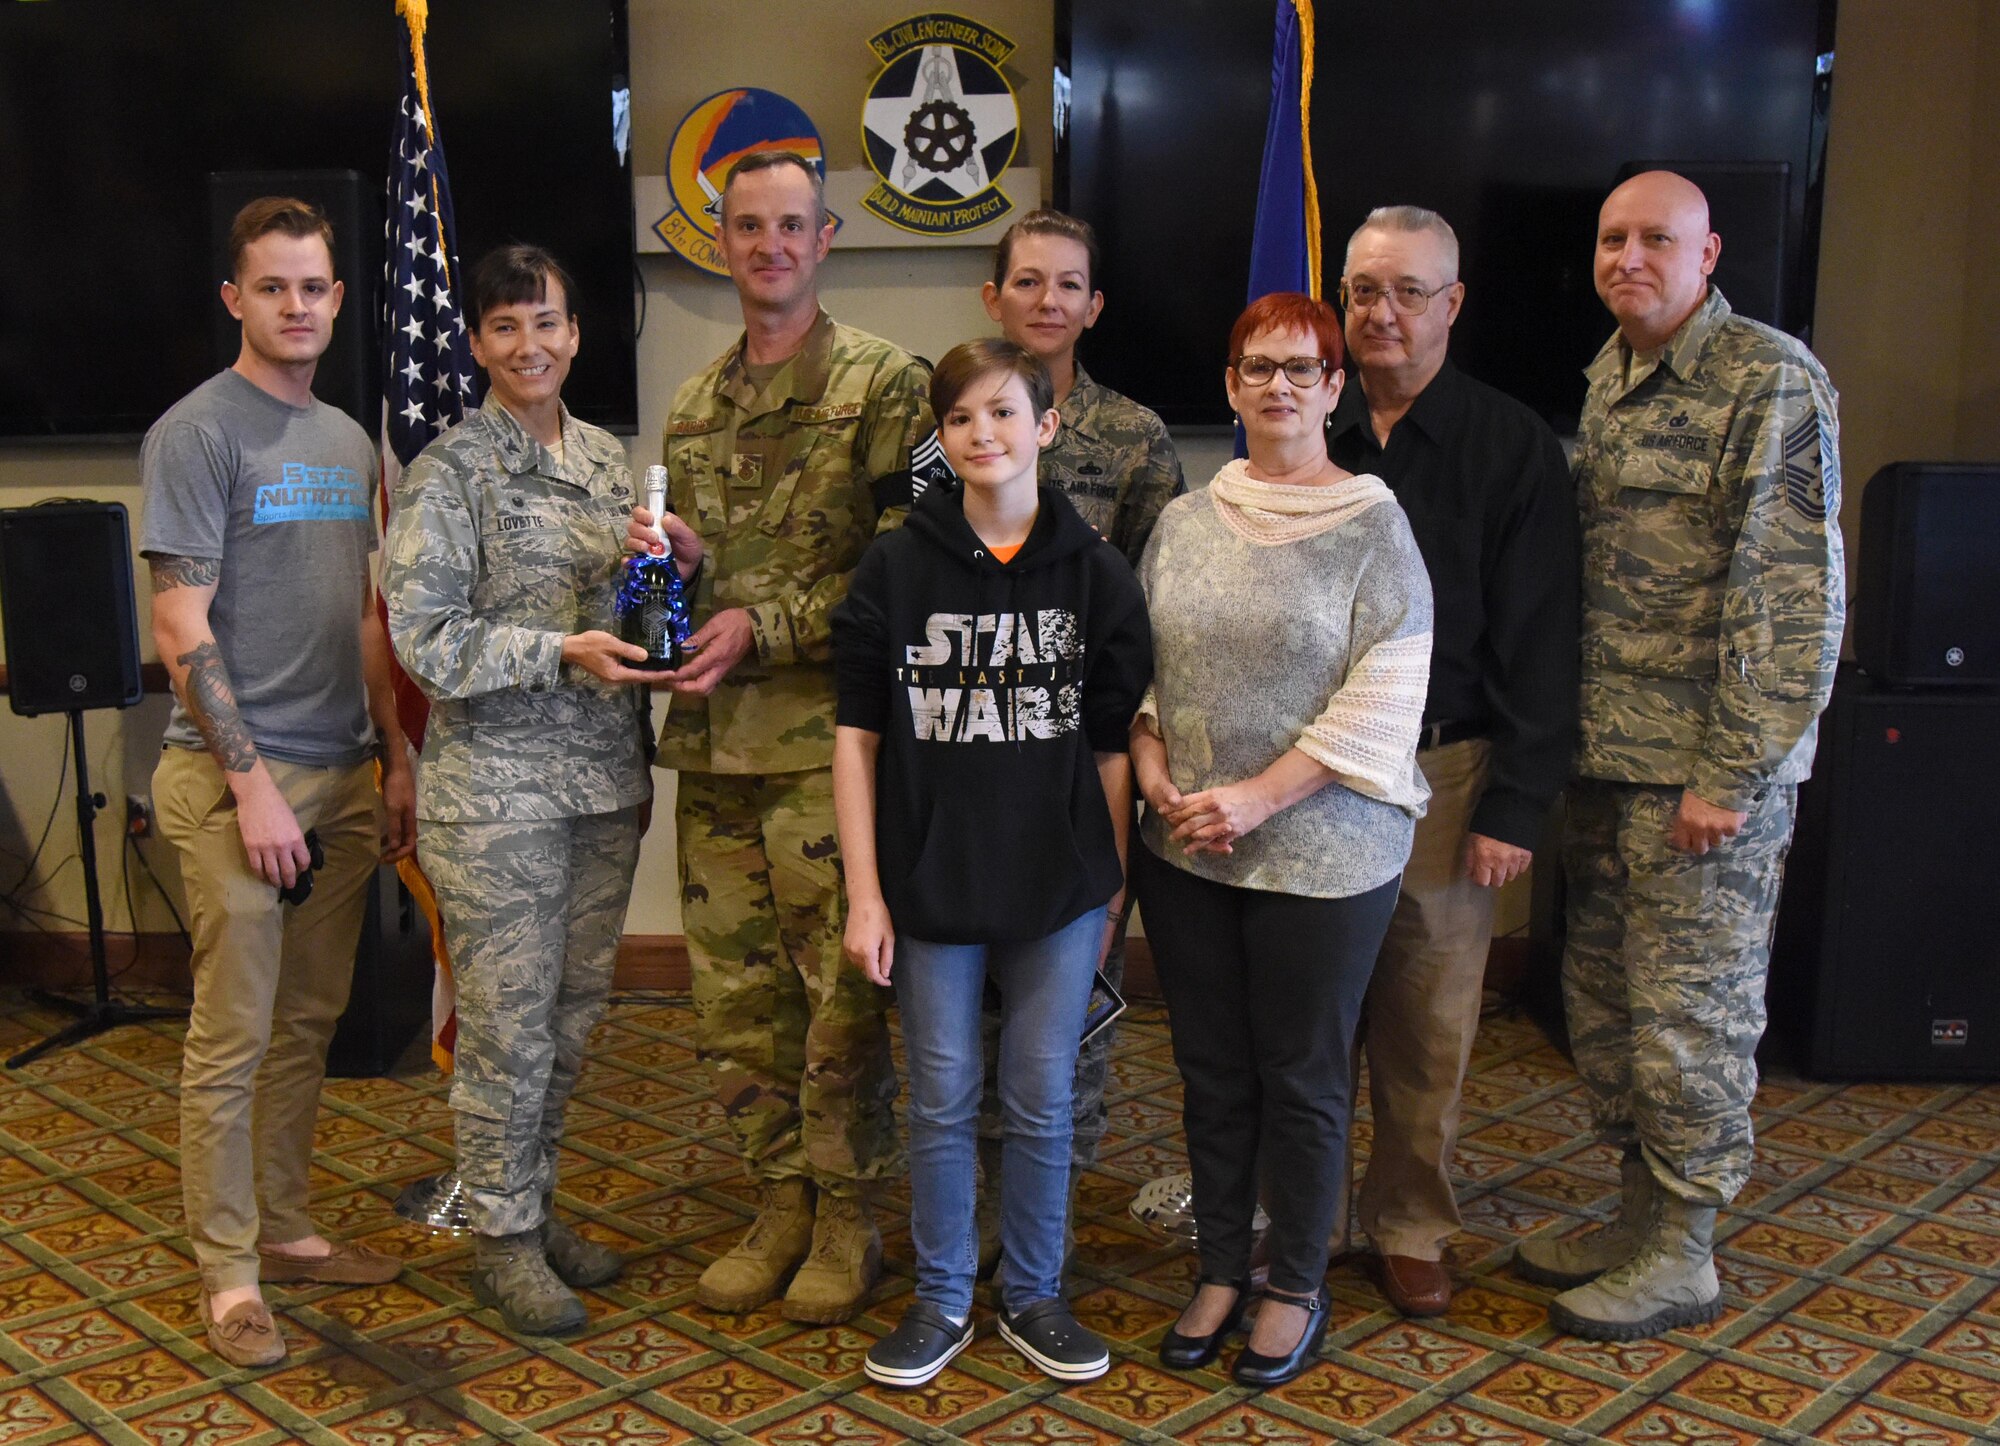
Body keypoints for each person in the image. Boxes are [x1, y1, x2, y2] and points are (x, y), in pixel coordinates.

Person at [628, 151, 935, 1325]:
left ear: (824, 237)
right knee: (736, 1005)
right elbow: (704, 565)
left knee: (838, 1002)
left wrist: (766, 624)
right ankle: (777, 1204)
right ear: (721, 241)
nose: (766, 246)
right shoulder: (697, 402)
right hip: (713, 747)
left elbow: (906, 568)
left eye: (788, 226)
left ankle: (851, 1217)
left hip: (827, 754)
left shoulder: (885, 384)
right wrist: (684, 574)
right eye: (745, 227)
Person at [1535, 171, 1843, 1340]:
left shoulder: (1766, 379)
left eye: (1654, 240)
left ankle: (1685, 1248)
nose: (1627, 258)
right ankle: (1633, 1212)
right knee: (1605, 1009)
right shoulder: (1607, 382)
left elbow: (1792, 601)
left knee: (1689, 1022)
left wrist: (1729, 776)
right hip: (1606, 765)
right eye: (1610, 237)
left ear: (1706, 253)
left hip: (1700, 785)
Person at [833, 339, 1152, 1388]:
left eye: (1005, 414)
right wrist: (866, 896)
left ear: (1045, 427)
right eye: (961, 417)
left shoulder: (1094, 571)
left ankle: (1032, 1294)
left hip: (1056, 888)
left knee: (1038, 1094)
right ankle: (937, 1299)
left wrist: (1104, 889)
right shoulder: (895, 563)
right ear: (941, 435)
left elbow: (1111, 744)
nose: (984, 435)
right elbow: (856, 739)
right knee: (937, 1095)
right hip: (929, 886)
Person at [1135, 292, 1432, 1388]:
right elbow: (1147, 667)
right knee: (1209, 1070)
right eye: (1256, 367)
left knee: (1300, 1076)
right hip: (1188, 847)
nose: (1277, 386)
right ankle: (1220, 1265)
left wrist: (1261, 795)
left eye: (1301, 369)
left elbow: (1387, 689)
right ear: (1229, 384)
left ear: (1332, 388)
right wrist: (1156, 767)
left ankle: (1294, 1283)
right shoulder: (1183, 520)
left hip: (1327, 850)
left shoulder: (1371, 524)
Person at [142, 196, 417, 1369]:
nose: (296, 306)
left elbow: (365, 616)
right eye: (273, 288)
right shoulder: (197, 434)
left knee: (308, 1023)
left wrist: (392, 756)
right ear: (235, 301)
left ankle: (290, 1227)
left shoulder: (350, 441)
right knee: (234, 1032)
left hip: (343, 775)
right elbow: (176, 621)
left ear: (337, 300)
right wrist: (251, 787)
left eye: (314, 288)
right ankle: (230, 1273)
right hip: (228, 780)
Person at [384, 245, 661, 1337]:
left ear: (575, 333)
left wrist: (666, 572)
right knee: (506, 1027)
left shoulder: (605, 459)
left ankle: (532, 1211)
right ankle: (498, 1240)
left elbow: (633, 614)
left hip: (599, 785)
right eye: (503, 327)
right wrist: (560, 650)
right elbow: (424, 639)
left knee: (573, 1021)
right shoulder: (449, 470)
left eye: (544, 322)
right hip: (496, 798)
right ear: (477, 344)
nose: (527, 345)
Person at [1325, 207, 1579, 1316]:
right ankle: (1302, 1215)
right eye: (1363, 291)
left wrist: (1515, 805)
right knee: (1307, 1013)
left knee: (1427, 1019)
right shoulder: (1305, 422)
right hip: (1309, 777)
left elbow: (1541, 637)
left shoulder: (1508, 443)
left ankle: (1409, 1220)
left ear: (1452, 305)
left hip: (1443, 771)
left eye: (1408, 292)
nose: (1381, 314)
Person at [973, 208, 1185, 1271]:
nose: (1045, 302)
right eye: (1026, 282)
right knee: (962, 1009)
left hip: (1083, 761)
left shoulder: (1135, 436)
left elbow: (1159, 612)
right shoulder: (951, 419)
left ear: (1092, 306)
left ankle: (1043, 1226)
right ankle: (967, 1216)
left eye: (1067, 286)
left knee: (1073, 1009)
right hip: (965, 762)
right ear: (992, 297)